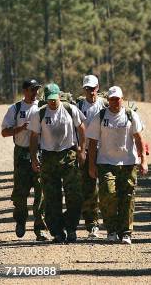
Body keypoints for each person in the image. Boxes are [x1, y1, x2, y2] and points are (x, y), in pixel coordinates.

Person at [86, 85, 148, 244]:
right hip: (106, 162)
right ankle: (111, 229)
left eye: (117, 99)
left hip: (128, 162)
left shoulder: (130, 115)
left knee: (127, 197)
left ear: (122, 99)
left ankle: (126, 232)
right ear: (108, 100)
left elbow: (139, 139)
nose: (114, 102)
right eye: (111, 99)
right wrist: (91, 166)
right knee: (107, 194)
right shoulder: (100, 116)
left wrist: (143, 161)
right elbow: (92, 143)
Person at [29, 83, 86, 243]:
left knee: (74, 195)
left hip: (68, 155)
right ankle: (57, 232)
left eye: (55, 99)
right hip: (48, 158)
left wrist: (82, 150)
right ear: (46, 99)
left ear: (59, 96)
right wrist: (34, 158)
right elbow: (34, 137)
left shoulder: (70, 109)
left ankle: (71, 228)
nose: (52, 103)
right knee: (51, 198)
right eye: (49, 100)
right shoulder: (39, 113)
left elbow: (81, 128)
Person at [1, 79, 49, 241]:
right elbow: (4, 132)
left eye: (37, 89)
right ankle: (20, 220)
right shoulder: (15, 108)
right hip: (21, 154)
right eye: (32, 89)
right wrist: (21, 128)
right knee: (20, 193)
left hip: (40, 153)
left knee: (40, 191)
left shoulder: (42, 107)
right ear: (24, 91)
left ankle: (39, 228)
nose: (35, 93)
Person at [77, 74, 106, 239]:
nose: (91, 92)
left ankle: (111, 222)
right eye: (87, 89)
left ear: (98, 88)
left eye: (93, 88)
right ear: (84, 89)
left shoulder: (105, 105)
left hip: (105, 152)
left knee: (107, 189)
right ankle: (92, 224)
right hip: (86, 152)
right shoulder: (78, 106)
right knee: (88, 188)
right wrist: (79, 150)